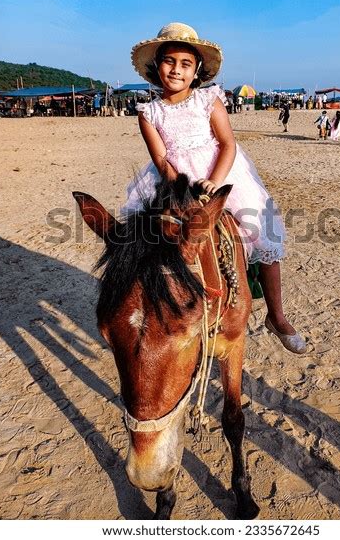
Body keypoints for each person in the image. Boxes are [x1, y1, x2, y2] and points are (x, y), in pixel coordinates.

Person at [124, 22, 306, 354]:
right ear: (156, 66)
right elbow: (161, 158)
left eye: (185, 64)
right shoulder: (148, 112)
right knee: (145, 241)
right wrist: (183, 188)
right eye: (169, 61)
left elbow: (227, 144)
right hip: (174, 182)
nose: (176, 70)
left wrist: (215, 181)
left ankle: (276, 316)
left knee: (262, 233)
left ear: (196, 72)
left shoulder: (208, 100)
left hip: (219, 174)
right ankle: (154, 309)